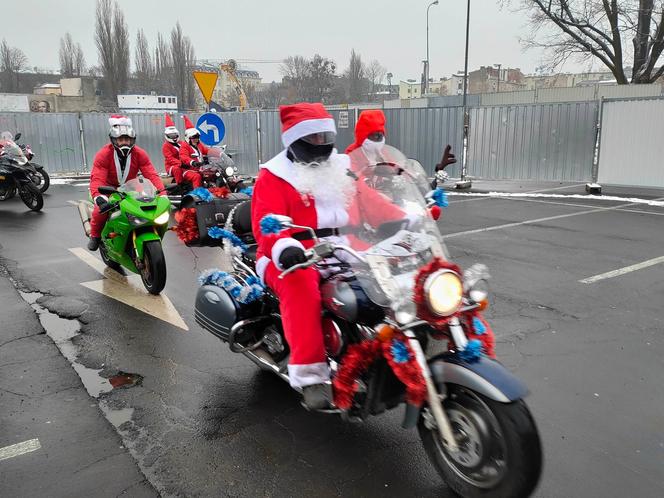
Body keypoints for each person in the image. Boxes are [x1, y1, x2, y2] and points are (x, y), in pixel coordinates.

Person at [251, 103, 406, 410]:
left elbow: (371, 201)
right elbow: (265, 223)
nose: (322, 144)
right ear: (296, 140)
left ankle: (389, 346)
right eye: (315, 138)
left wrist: (406, 219)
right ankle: (311, 375)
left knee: (390, 270)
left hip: (341, 245)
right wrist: (284, 247)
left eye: (326, 136)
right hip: (289, 254)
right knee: (301, 283)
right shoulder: (275, 176)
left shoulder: (341, 168)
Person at [87, 115, 165, 251]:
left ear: (132, 140)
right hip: (107, 188)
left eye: (127, 139)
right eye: (121, 139)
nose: (124, 142)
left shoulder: (140, 153)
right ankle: (95, 236)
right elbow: (97, 178)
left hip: (130, 187)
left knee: (147, 203)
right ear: (113, 140)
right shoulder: (103, 154)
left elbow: (151, 174)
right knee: (100, 211)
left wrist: (162, 192)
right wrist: (99, 196)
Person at [178, 115, 208, 188]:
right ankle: (197, 194)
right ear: (188, 138)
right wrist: (193, 162)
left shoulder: (199, 145)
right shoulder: (184, 146)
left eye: (197, 137)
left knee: (211, 174)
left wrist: (219, 153)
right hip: (188, 170)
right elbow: (184, 157)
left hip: (200, 169)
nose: (196, 139)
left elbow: (207, 150)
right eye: (193, 137)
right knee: (196, 177)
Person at [161, 114, 188, 185]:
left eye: (175, 135)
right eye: (171, 136)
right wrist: (181, 164)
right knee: (177, 169)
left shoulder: (182, 143)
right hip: (171, 166)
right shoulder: (166, 146)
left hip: (183, 164)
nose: (174, 137)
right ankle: (180, 185)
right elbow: (170, 159)